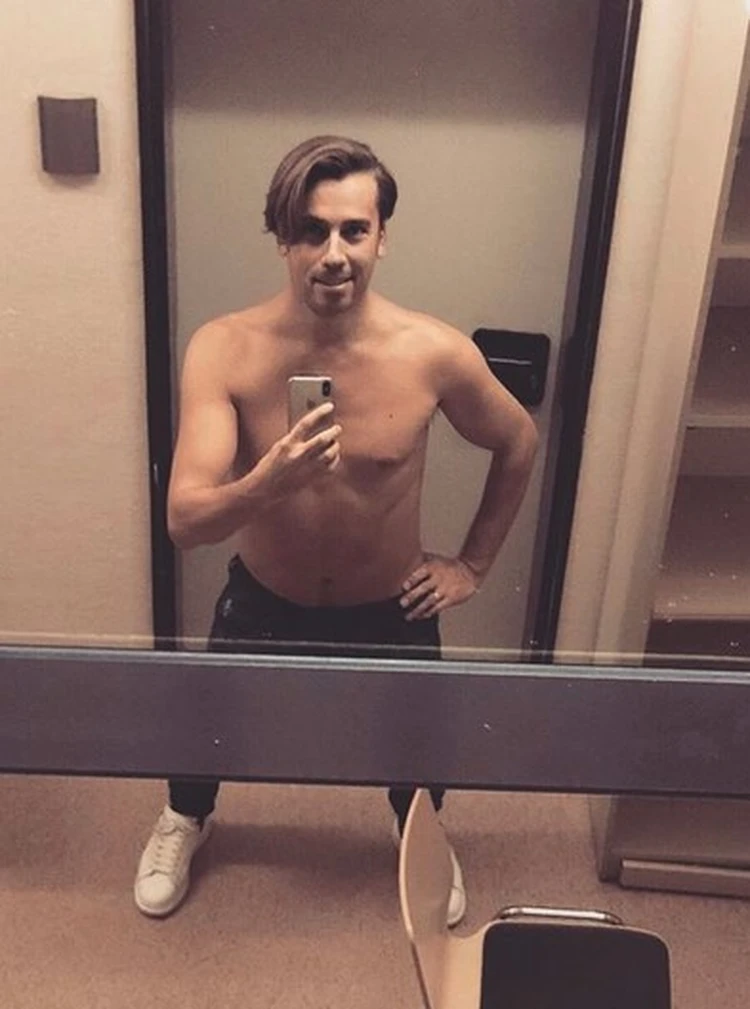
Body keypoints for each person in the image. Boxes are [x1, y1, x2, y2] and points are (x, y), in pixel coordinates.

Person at [134, 135, 538, 925]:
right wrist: (267, 482)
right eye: (311, 230)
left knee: (417, 742)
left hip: (391, 601)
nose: (333, 254)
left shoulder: (432, 351)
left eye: (354, 229)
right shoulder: (226, 348)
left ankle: (420, 833)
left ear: (383, 236)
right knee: (208, 721)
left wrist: (472, 565)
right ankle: (185, 816)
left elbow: (518, 441)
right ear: (282, 238)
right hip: (265, 594)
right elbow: (185, 519)